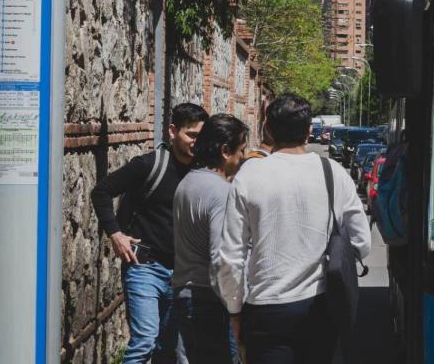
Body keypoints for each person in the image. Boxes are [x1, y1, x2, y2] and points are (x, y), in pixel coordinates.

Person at [218, 93, 371, 364]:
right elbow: (362, 242)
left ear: (268, 129)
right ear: (309, 130)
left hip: (266, 309)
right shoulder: (333, 172)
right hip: (319, 306)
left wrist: (234, 310)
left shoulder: (249, 175)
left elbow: (231, 255)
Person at [91, 103, 208, 364]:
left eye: (201, 136)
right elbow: (101, 191)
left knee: (170, 349)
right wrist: (116, 234)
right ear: (173, 131)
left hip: (183, 273)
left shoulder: (203, 172)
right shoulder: (148, 165)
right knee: (145, 340)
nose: (195, 143)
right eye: (191, 135)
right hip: (144, 266)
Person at [173, 114, 249, 363]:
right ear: (225, 151)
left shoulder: (187, 183)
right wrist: (235, 309)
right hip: (210, 301)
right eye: (241, 150)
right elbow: (221, 257)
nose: (243, 158)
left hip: (185, 294)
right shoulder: (222, 192)